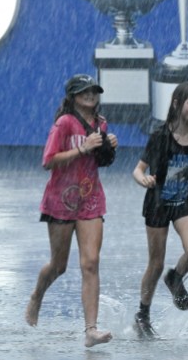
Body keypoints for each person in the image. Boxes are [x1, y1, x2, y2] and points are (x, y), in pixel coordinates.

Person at [25, 74, 118, 348]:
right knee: (59, 266)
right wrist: (82, 148)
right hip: (60, 201)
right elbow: (48, 160)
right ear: (73, 96)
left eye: (93, 90)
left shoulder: (101, 123)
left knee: (90, 263)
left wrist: (108, 148)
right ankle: (37, 296)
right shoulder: (64, 123)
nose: (90, 95)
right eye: (84, 91)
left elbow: (99, 162)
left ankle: (91, 330)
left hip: (91, 200)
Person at [131, 82, 188, 339]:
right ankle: (143, 314)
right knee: (155, 263)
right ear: (177, 104)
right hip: (158, 203)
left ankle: (175, 278)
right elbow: (138, 169)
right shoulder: (160, 137)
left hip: (184, 202)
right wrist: (143, 180)